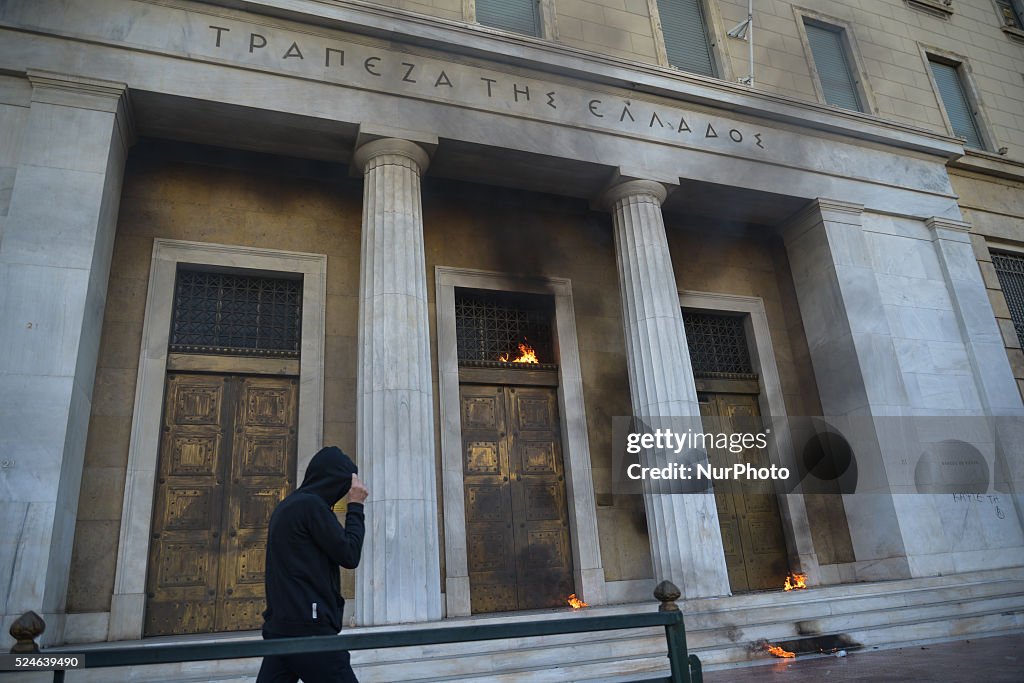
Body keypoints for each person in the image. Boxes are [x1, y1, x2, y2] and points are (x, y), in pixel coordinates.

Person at [256, 446, 369, 683]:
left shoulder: (288, 506)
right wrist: (355, 507)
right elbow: (349, 554)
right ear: (333, 481)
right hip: (310, 632)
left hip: (282, 628)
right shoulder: (312, 507)